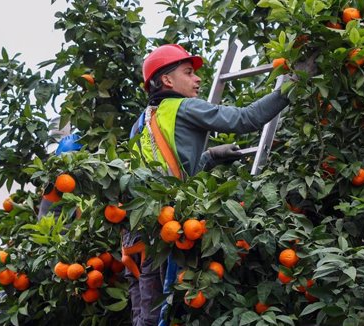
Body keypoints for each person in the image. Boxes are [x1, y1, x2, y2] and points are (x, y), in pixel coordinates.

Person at [123, 43, 305, 326]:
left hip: (136, 236)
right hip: (168, 231)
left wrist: (210, 157)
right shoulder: (184, 107)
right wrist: (293, 85)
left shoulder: (140, 123)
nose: (198, 79)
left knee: (145, 316)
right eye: (188, 72)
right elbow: (248, 119)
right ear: (167, 81)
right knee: (170, 314)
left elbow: (169, 171)